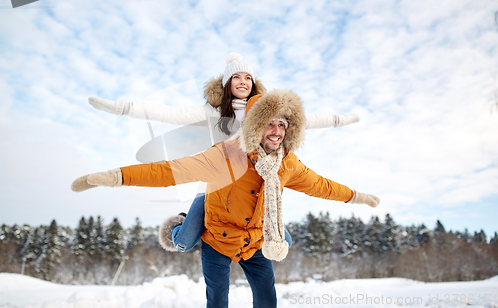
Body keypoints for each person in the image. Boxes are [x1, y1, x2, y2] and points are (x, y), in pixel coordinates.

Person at [71, 89, 380, 308]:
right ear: (255, 126)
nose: (276, 131)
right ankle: (183, 224)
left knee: (267, 297)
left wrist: (357, 197)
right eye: (269, 123)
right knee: (217, 298)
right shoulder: (225, 156)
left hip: (256, 241)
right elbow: (170, 171)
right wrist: (116, 177)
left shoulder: (288, 164)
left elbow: (322, 186)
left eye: (282, 124)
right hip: (216, 240)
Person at [86, 53, 360, 253]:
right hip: (217, 185)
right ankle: (181, 222)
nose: (243, 81)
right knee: (183, 242)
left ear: (254, 84)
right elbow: (170, 113)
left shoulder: (266, 111)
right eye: (237, 77)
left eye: (248, 77)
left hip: (255, 187)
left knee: (283, 243)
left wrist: (340, 120)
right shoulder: (214, 113)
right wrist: (123, 108)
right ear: (227, 84)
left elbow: (306, 118)